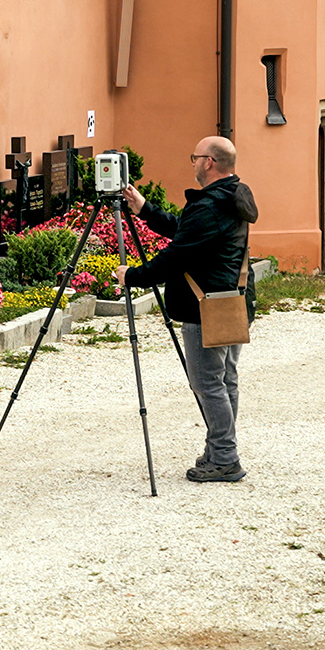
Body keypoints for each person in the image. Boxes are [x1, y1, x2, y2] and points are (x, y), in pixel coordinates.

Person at [115, 136, 258, 483]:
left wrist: (132, 276)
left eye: (195, 157)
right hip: (230, 302)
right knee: (225, 381)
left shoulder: (209, 205)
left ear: (209, 162)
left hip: (204, 307)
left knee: (209, 383)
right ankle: (219, 448)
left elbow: (177, 255)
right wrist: (145, 209)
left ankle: (225, 457)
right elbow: (187, 233)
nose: (192, 163)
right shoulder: (230, 197)